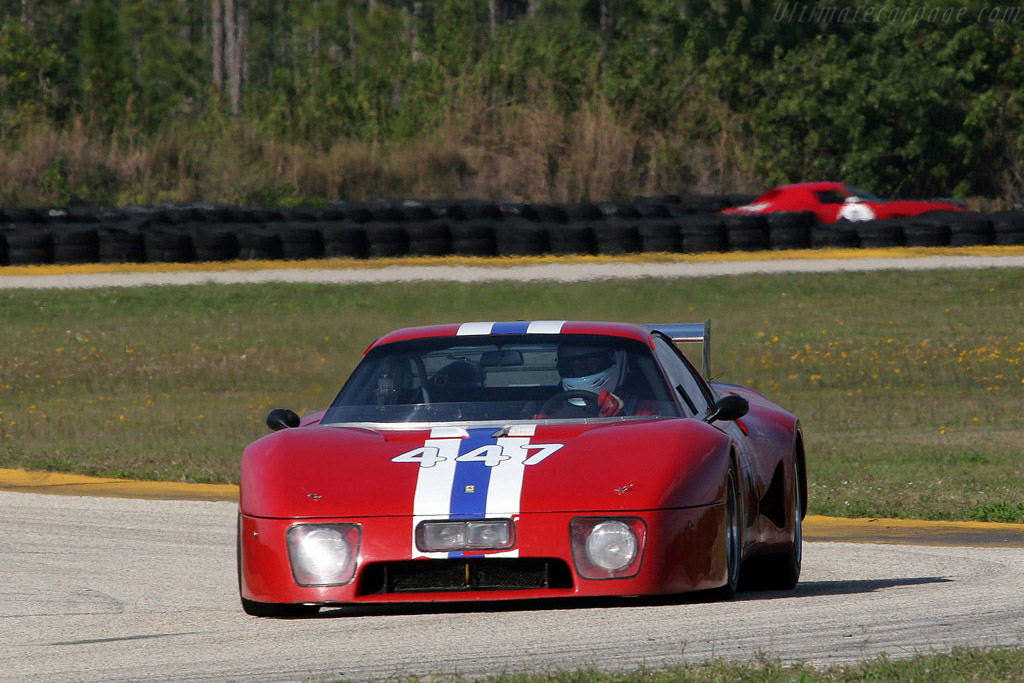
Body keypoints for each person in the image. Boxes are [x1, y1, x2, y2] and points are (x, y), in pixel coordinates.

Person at [537, 343, 659, 418]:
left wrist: (621, 421)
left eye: (592, 363)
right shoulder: (552, 410)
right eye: (574, 366)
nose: (583, 369)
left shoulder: (645, 410)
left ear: (616, 361)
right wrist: (541, 430)